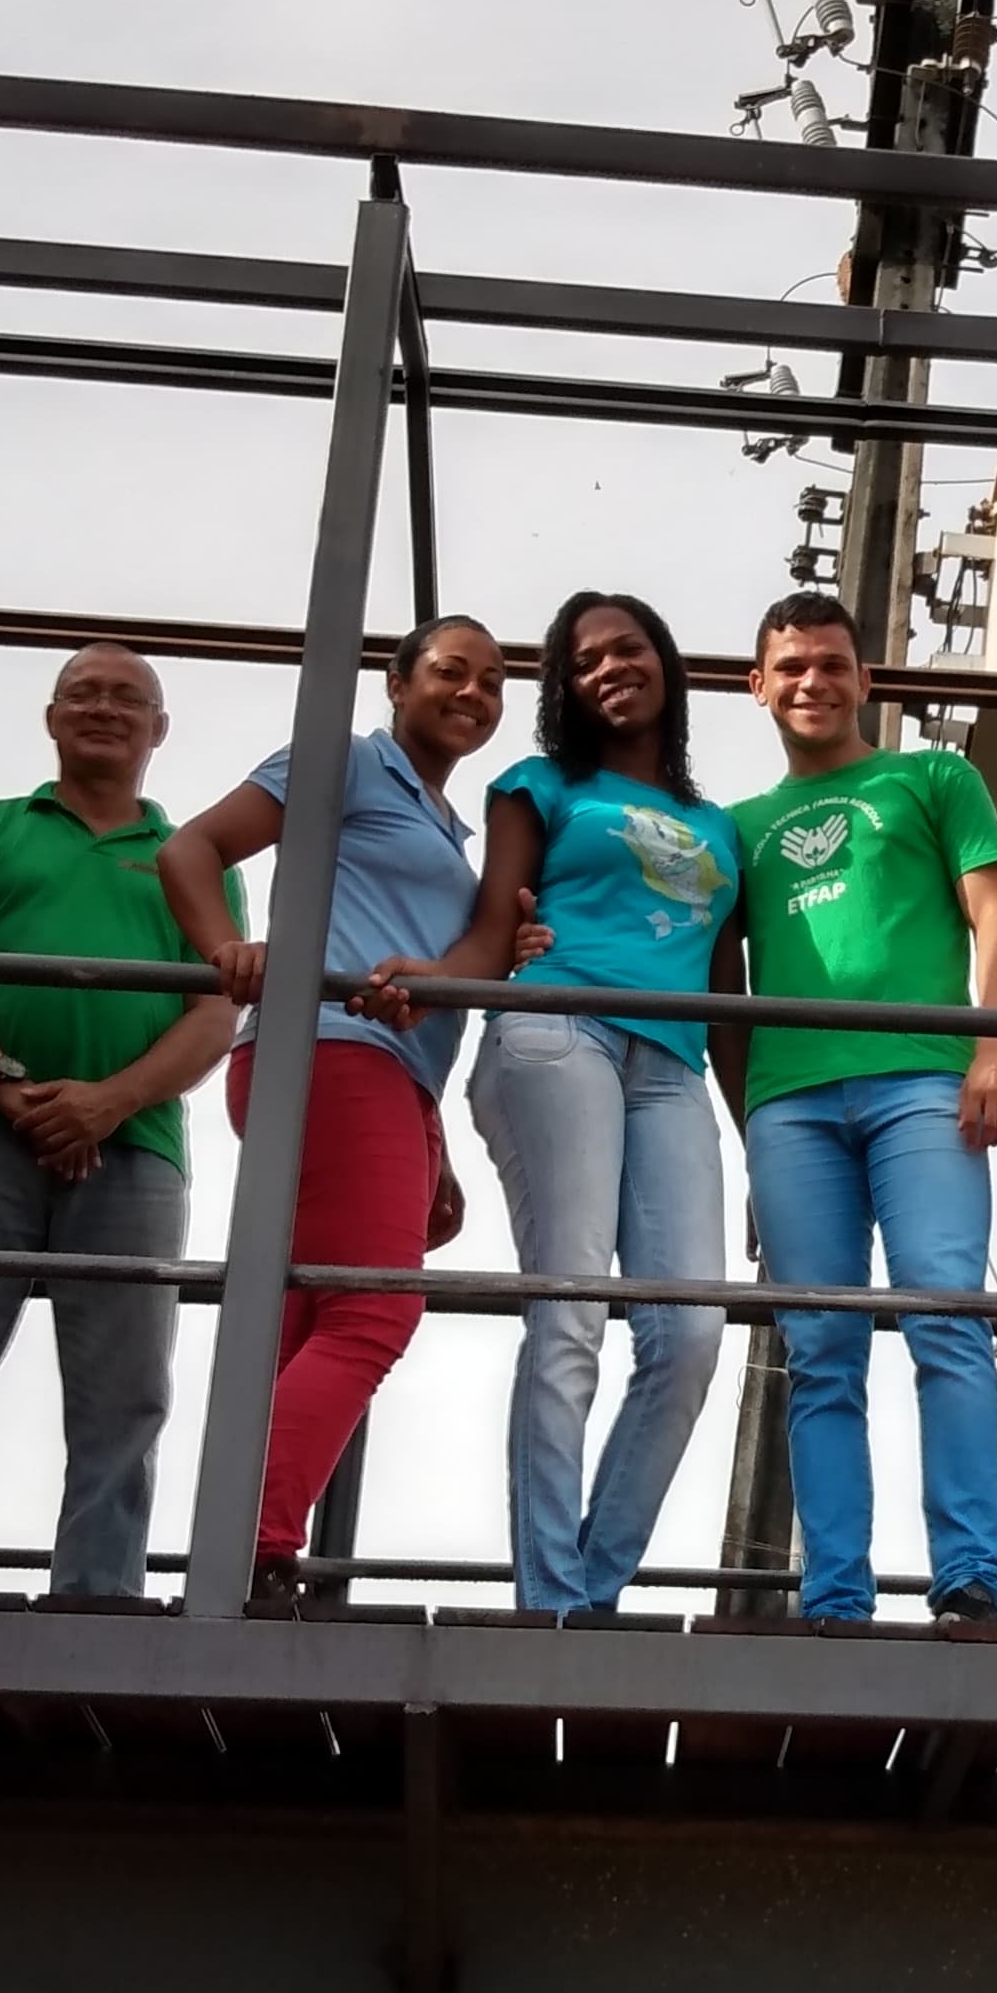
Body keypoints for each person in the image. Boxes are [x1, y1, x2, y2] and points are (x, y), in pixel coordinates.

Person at [359, 588, 741, 1624]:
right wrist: (432, 979)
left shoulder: (720, 827)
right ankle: (550, 1605)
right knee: (570, 1312)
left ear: (665, 661)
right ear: (564, 690)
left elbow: (732, 994)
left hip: (673, 1069)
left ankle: (590, 1590)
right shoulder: (538, 785)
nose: (610, 668)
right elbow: (495, 927)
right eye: (583, 661)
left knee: (693, 1336)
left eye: (627, 649)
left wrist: (762, 1158)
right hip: (556, 1029)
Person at [0, 644, 240, 1611]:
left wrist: (110, 1102)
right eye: (84, 693)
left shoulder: (194, 859)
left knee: (125, 1399)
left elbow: (217, 1014)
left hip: (136, 1149)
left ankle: (98, 1600)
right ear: (52, 716)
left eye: (127, 697)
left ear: (160, 728)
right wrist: (9, 1087)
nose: (103, 708)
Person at [157, 615, 506, 1610]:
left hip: (384, 1077)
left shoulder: (447, 824)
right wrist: (227, 946)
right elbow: (192, 848)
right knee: (375, 1306)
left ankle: (246, 1544)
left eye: (490, 681)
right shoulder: (345, 762)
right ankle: (254, 1545)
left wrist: (428, 1137)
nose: (471, 692)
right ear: (397, 683)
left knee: (309, 1309)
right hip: (330, 1051)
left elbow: (426, 968)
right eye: (449, 671)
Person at [715, 590, 997, 1630]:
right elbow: (717, 986)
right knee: (820, 1351)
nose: (813, 681)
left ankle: (970, 1577)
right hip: (790, 1106)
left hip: (924, 1083)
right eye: (790, 664)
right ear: (757, 683)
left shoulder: (931, 776)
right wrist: (751, 1136)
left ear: (866, 677)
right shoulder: (738, 827)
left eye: (832, 663)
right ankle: (834, 1592)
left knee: (946, 1316)